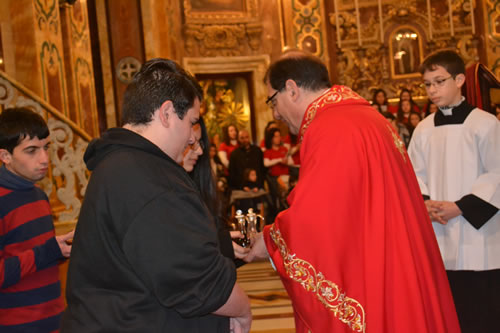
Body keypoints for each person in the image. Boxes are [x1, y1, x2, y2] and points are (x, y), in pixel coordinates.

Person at [244, 52, 460, 332]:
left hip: (373, 270)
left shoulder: (330, 127)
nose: (274, 113)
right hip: (395, 264)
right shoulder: (367, 117)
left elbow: (316, 218)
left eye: (273, 100)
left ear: (292, 89)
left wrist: (269, 242)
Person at [61, 58, 251, 333]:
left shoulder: (122, 164)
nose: (191, 138)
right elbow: (196, 282)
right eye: (191, 122)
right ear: (167, 113)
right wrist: (243, 309)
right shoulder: (150, 179)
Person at [408, 49, 500, 333]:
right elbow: (414, 174)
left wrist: (460, 206)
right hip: (438, 229)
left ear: (459, 79)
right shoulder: (423, 130)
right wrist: (424, 204)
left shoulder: (485, 123)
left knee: (482, 313)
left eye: (439, 81)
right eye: (427, 84)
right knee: (447, 313)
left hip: (478, 234)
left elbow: (497, 172)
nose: (432, 90)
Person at [0, 107, 74, 332]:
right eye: (31, 150)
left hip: (54, 321)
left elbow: (39, 259)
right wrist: (48, 252)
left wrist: (62, 250)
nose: (44, 159)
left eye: (46, 148)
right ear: (5, 156)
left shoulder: (39, 195)